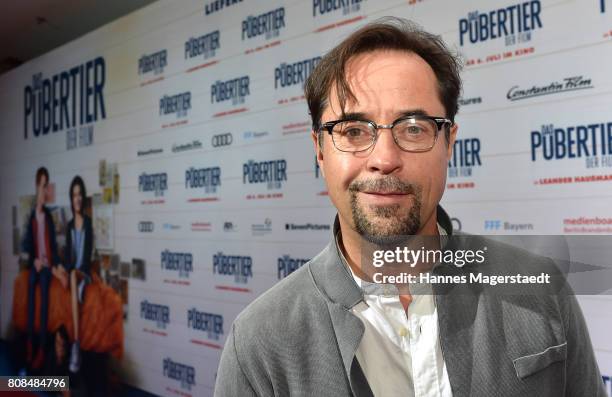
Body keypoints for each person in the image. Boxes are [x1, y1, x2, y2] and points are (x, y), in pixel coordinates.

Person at [214, 18, 606, 396]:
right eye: (352, 130)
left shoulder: (539, 285)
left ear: (449, 142)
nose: (384, 158)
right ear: (319, 149)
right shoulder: (259, 341)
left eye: (414, 128)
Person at [23, 166, 63, 370]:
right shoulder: (31, 217)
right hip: (36, 265)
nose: (43, 189)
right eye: (41, 184)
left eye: (46, 185)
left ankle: (41, 349)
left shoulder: (48, 217)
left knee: (45, 297)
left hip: (46, 267)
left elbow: (54, 247)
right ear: (36, 186)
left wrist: (54, 265)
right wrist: (34, 262)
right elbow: (27, 246)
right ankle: (29, 343)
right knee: (30, 287)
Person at [62, 175, 94, 373]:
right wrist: (67, 271)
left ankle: (76, 343)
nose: (77, 199)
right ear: (71, 198)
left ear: (83, 198)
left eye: (80, 194)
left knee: (74, 276)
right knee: (71, 275)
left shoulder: (88, 223)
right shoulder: (68, 227)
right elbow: (67, 257)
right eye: (74, 195)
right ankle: (75, 345)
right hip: (74, 272)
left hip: (84, 273)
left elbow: (87, 257)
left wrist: (76, 272)